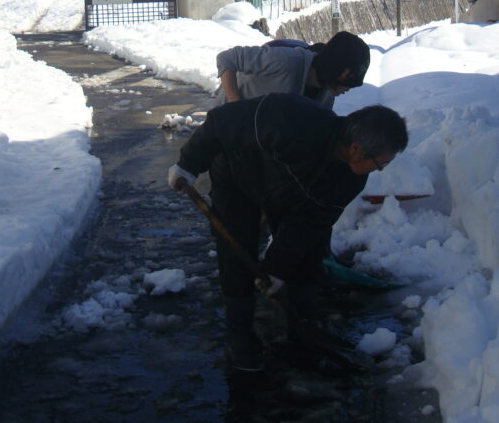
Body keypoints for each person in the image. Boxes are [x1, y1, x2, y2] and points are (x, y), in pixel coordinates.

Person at [168, 93, 408, 372]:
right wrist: (188, 163)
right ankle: (240, 335)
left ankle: (301, 327)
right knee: (237, 251)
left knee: (307, 254)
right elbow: (222, 122)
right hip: (237, 175)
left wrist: (276, 268)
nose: (379, 170)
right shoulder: (290, 118)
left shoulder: (350, 179)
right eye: (380, 164)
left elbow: (310, 223)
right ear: (356, 149)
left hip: (286, 194)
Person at [215, 30, 371, 108]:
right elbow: (227, 58)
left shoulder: (327, 95)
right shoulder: (285, 61)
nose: (348, 89)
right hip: (227, 120)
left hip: (261, 132)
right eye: (347, 80)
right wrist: (235, 107)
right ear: (336, 70)